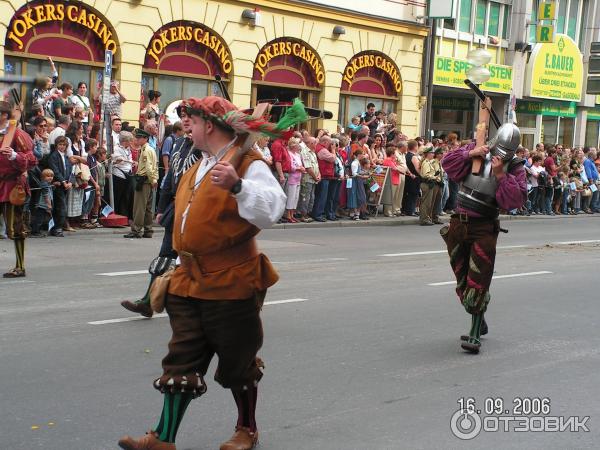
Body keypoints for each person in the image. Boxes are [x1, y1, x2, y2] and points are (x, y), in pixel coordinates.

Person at [117, 95, 296, 450]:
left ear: (209, 125)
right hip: (188, 281)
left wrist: (238, 186)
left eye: (192, 121)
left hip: (232, 279)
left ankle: (247, 429)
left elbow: (272, 209)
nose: (187, 126)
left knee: (238, 361)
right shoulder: (198, 166)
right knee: (180, 360)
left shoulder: (247, 162)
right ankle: (163, 438)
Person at [441, 124, 527, 354]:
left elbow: (514, 201)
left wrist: (500, 175)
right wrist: (470, 154)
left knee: (478, 281)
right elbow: (447, 165)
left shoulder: (516, 167)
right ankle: (479, 318)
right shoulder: (476, 149)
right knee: (462, 279)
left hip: (484, 228)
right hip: (459, 224)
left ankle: (475, 332)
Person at [120, 104, 199, 318]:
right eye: (183, 116)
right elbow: (170, 177)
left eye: (190, 116)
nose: (185, 120)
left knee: (196, 260)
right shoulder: (179, 143)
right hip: (177, 208)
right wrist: (162, 207)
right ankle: (147, 301)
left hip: (198, 211)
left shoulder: (206, 147)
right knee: (165, 256)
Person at [0, 101, 36, 277]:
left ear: (4, 115)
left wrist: (15, 156)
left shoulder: (16, 134)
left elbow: (32, 159)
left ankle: (20, 266)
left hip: (12, 185)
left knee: (15, 227)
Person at [124, 129, 158, 239]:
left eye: (138, 138)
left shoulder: (146, 150)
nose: (136, 140)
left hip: (144, 180)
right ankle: (148, 230)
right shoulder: (150, 149)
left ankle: (136, 230)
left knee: (139, 207)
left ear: (145, 139)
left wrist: (153, 179)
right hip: (149, 180)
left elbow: (148, 167)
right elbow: (154, 166)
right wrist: (154, 180)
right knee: (148, 208)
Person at [419, 147, 440, 226]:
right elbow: (425, 175)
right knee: (426, 202)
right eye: (432, 153)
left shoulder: (428, 162)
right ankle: (424, 219)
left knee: (428, 202)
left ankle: (426, 218)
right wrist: (435, 177)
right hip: (426, 184)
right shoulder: (426, 163)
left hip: (429, 184)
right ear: (428, 154)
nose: (433, 154)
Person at [30, 168, 54, 237]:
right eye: (48, 176)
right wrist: (49, 204)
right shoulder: (44, 184)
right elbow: (45, 195)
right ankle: (35, 232)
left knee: (41, 219)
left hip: (43, 205)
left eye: (52, 176)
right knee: (39, 219)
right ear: (43, 177)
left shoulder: (47, 184)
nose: (50, 178)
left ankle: (38, 231)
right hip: (41, 205)